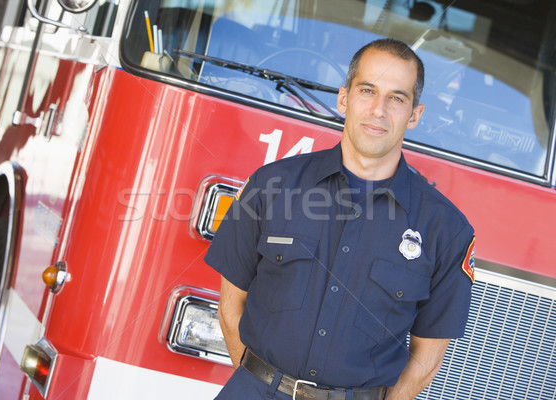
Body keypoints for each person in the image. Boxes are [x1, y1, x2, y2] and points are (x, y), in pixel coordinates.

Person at [204, 38, 475, 400]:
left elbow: (427, 359)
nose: (379, 109)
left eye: (396, 98)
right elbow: (229, 305)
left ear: (415, 115)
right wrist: (261, 384)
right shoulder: (271, 185)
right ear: (344, 98)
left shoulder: (446, 230)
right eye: (367, 91)